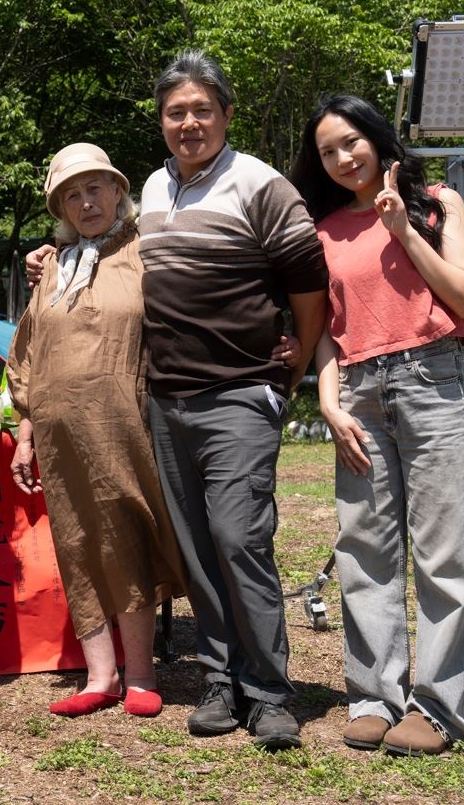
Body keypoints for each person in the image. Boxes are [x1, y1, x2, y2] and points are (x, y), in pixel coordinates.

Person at [137, 49, 329, 751]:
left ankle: (271, 692)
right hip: (167, 398)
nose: (188, 123)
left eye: (201, 110)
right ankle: (223, 679)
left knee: (239, 538)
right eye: (175, 112)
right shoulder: (152, 192)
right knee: (195, 548)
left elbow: (310, 287)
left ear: (225, 114)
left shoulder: (262, 184)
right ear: (161, 121)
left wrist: (295, 365)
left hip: (241, 393)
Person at [290, 94, 464, 756]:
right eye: (328, 151)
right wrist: (327, 399)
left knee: (443, 552)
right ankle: (373, 698)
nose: (344, 158)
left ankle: (438, 709)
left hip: (433, 380)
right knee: (364, 550)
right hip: (359, 393)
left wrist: (402, 229)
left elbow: (463, 297)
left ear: (377, 136)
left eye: (352, 142)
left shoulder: (436, 204)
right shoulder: (322, 227)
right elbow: (324, 333)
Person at [5, 143, 186, 719]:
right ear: (61, 207)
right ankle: (99, 674)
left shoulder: (144, 252)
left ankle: (139, 672)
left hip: (124, 422)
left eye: (95, 189)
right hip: (58, 432)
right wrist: (26, 430)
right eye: (72, 195)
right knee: (77, 540)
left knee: (125, 532)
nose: (87, 203)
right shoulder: (52, 265)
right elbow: (28, 353)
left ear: (117, 192)